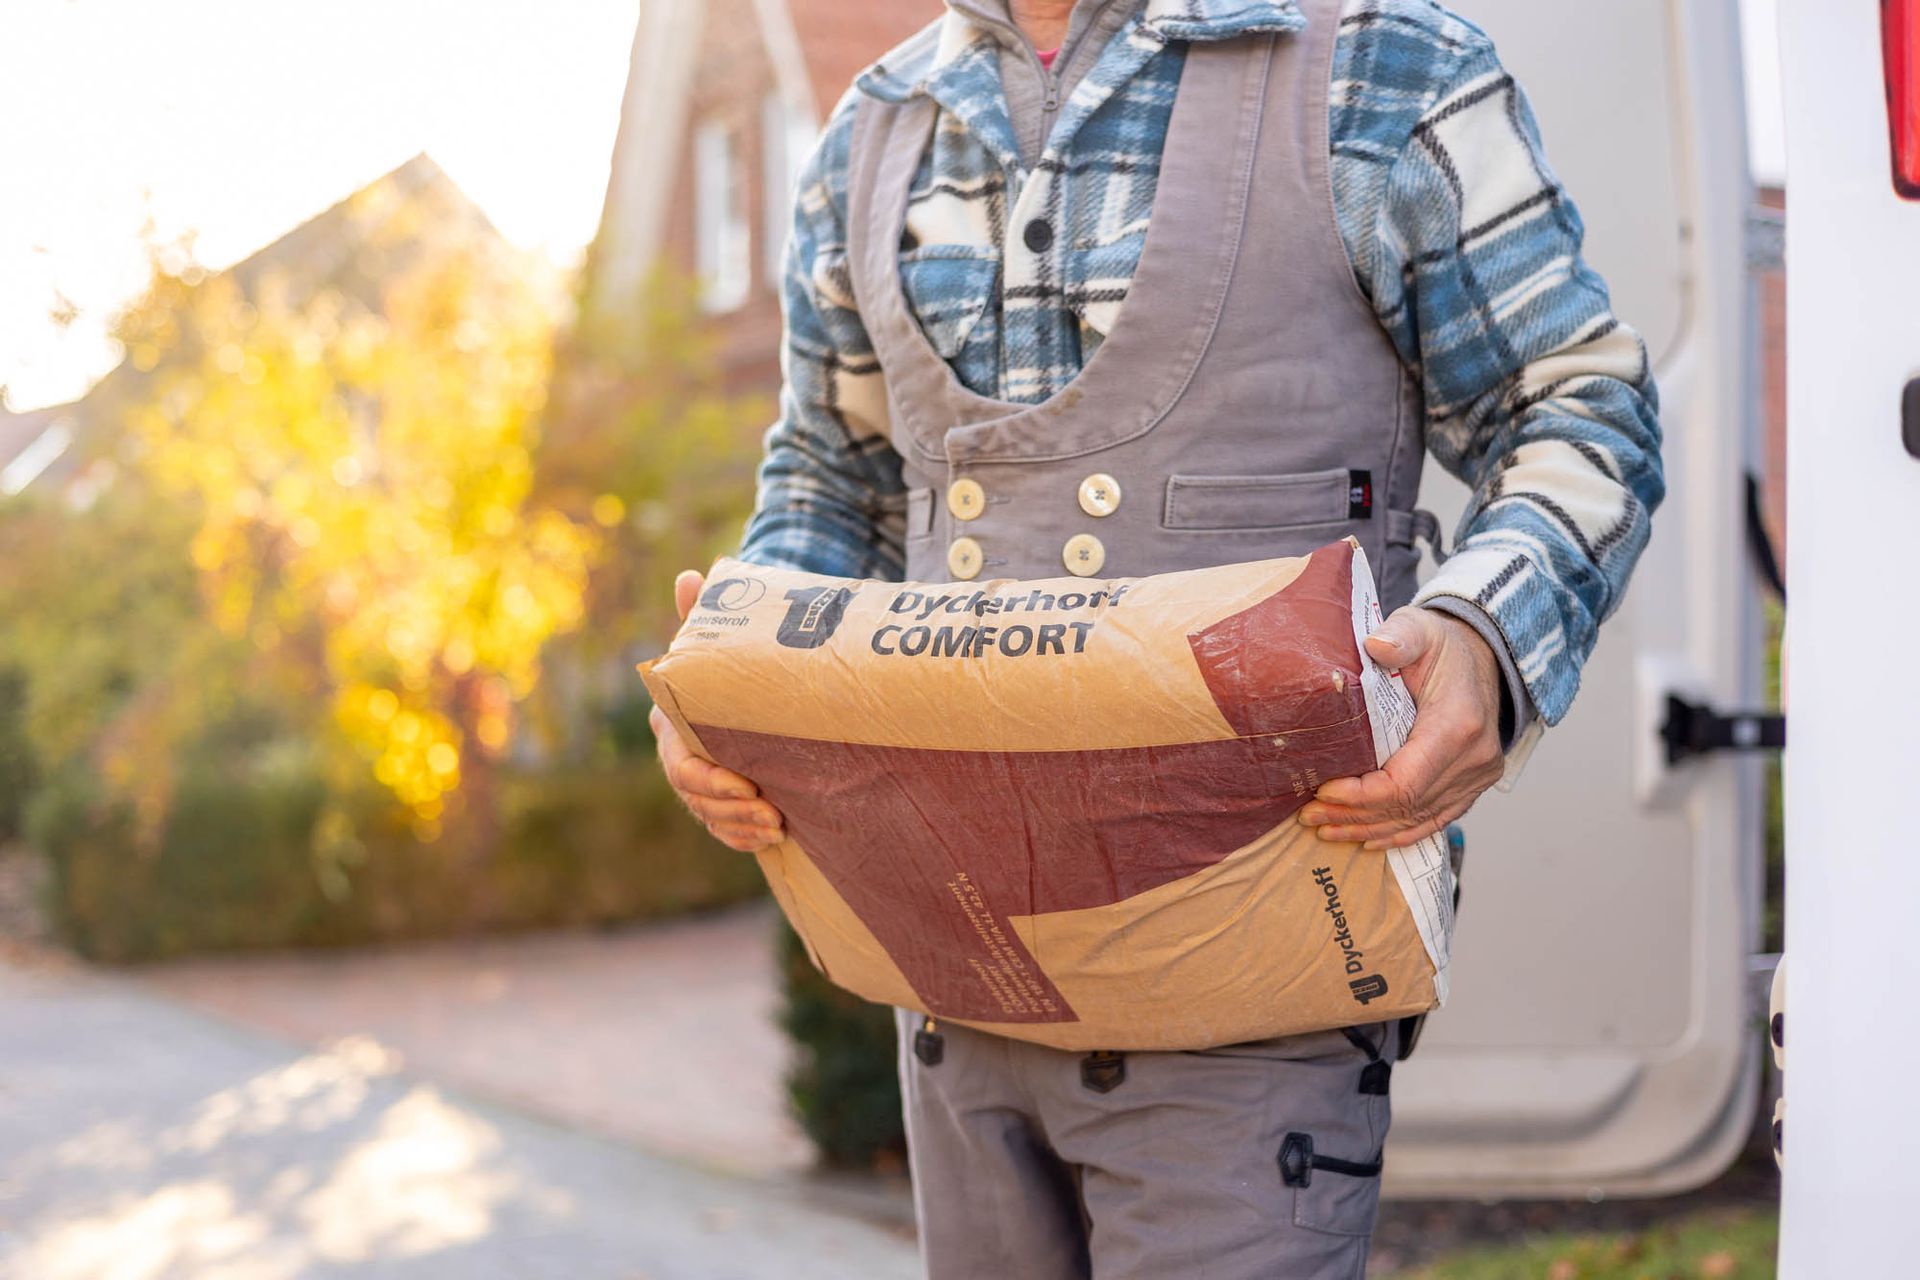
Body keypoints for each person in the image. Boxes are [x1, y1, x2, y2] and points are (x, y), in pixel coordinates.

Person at [650, 0, 1664, 1274]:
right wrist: (731, 678)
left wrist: (1484, 634)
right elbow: (829, 483)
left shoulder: (1382, 70)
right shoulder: (876, 127)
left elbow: (1577, 403)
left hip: (1260, 987)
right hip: (953, 991)